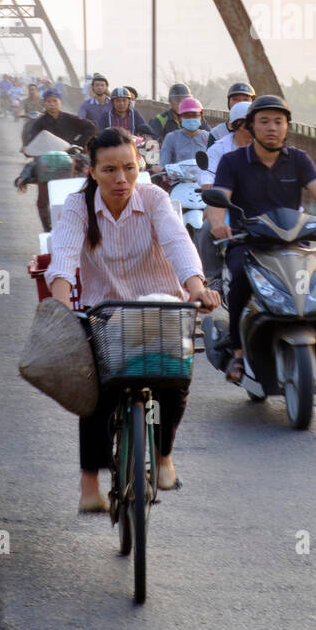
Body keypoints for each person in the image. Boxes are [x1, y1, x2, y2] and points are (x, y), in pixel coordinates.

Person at [44, 127, 220, 511]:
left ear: (139, 165)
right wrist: (59, 304)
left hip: (161, 309)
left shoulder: (154, 198)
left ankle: (163, 457)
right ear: (91, 171)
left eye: (129, 168)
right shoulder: (78, 206)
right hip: (106, 315)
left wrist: (196, 288)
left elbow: (178, 243)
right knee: (96, 395)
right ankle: (89, 483)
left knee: (174, 381)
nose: (120, 179)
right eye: (109, 170)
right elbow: (65, 254)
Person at [205, 94, 316, 384]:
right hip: (247, 241)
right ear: (251, 126)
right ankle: (238, 351)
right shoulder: (233, 161)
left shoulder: (298, 159)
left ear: (287, 126)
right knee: (241, 281)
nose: (272, 127)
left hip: (293, 240)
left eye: (279, 122)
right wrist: (218, 224)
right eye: (264, 121)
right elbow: (218, 202)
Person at [23, 90, 96, 230]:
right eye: (48, 101)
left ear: (60, 102)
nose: (52, 104)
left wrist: (78, 142)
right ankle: (47, 228)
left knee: (72, 194)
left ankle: (72, 226)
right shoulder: (39, 123)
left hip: (69, 162)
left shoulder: (70, 119)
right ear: (44, 103)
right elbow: (33, 141)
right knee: (43, 199)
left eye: (55, 101)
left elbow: (91, 127)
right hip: (46, 163)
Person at [196, 101, 252, 282]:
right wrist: (215, 196)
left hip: (259, 206)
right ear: (239, 125)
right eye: (252, 121)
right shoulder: (219, 149)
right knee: (205, 230)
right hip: (227, 206)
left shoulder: (267, 149)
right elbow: (207, 179)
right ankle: (213, 278)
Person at [160, 96, 208, 166]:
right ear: (180, 118)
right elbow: (164, 164)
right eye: (187, 116)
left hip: (203, 176)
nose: (191, 118)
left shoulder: (208, 137)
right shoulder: (171, 138)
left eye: (194, 115)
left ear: (201, 117)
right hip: (178, 176)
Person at [206, 81, 256, 146]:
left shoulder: (260, 131)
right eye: (235, 99)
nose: (240, 103)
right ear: (228, 103)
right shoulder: (217, 133)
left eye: (245, 99)